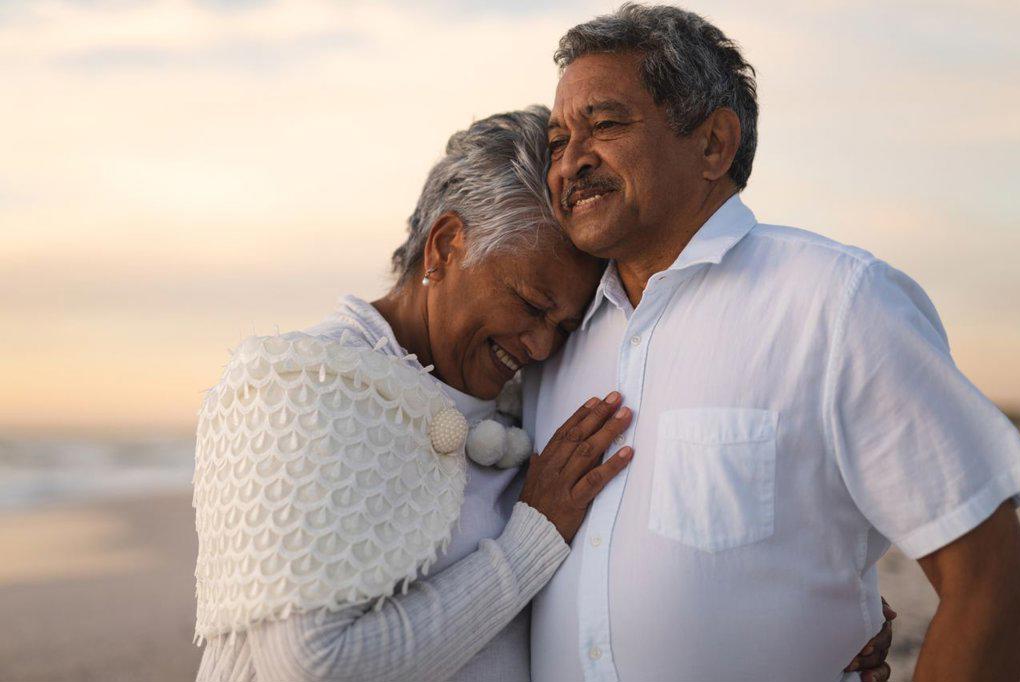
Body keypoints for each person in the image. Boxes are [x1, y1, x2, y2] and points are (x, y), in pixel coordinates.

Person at [192, 107, 892, 681]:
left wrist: (810, 627)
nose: (539, 345)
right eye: (529, 303)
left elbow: (638, 554)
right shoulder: (298, 389)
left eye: (566, 322)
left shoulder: (520, 396)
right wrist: (534, 536)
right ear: (444, 245)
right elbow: (315, 666)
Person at [525, 5, 1020, 682]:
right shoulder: (548, 335)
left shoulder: (838, 303)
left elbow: (993, 580)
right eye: (557, 141)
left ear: (713, 145)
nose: (571, 162)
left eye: (605, 125)